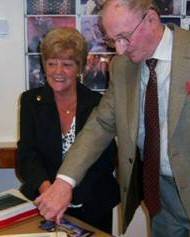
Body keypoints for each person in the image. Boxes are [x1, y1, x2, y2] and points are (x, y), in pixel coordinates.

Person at [34, 0, 190, 236]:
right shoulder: (122, 67)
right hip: (163, 196)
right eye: (112, 39)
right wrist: (65, 182)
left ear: (151, 19)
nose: (119, 49)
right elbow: (101, 123)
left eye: (124, 37)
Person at [16, 27, 120, 233]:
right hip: (44, 203)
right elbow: (27, 155)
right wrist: (49, 192)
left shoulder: (97, 104)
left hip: (92, 204)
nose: (58, 71)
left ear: (80, 67)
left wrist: (68, 194)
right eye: (51, 63)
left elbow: (105, 161)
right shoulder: (30, 101)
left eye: (67, 64)